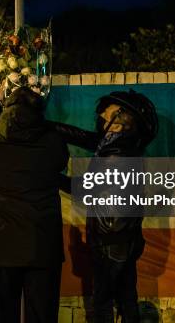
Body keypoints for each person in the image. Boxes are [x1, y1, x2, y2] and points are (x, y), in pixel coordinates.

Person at [51, 89, 158, 323]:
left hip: (110, 240)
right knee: (126, 296)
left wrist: (50, 176)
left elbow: (84, 189)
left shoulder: (116, 156)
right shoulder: (120, 145)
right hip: (123, 237)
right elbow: (85, 138)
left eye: (106, 112)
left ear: (119, 124)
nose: (100, 114)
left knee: (103, 302)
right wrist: (50, 127)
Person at [0, 84, 70, 323]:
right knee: (42, 315)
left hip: (0, 245)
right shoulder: (52, 142)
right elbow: (61, 162)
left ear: (7, 107)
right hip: (41, 245)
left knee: (2, 315)